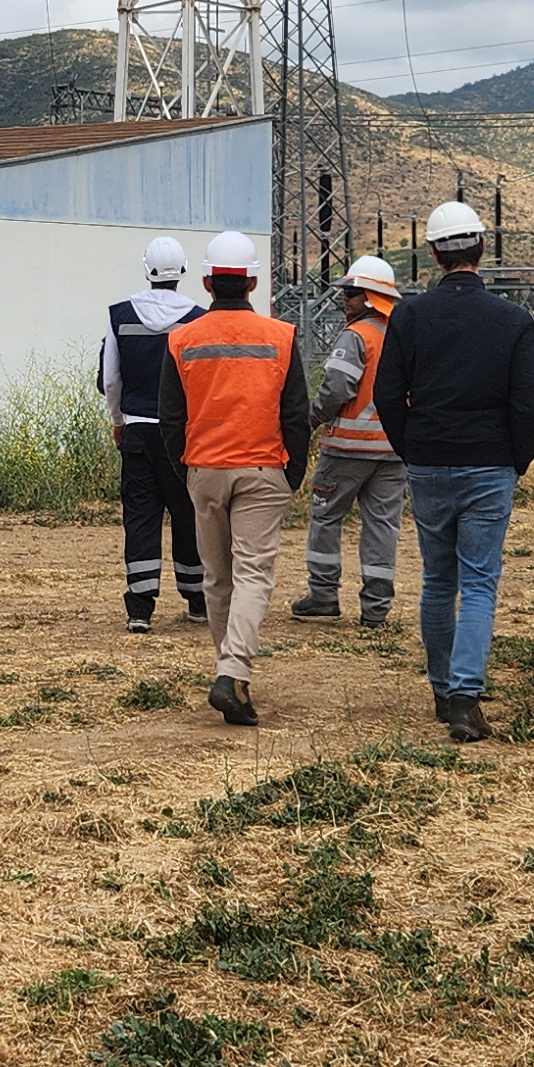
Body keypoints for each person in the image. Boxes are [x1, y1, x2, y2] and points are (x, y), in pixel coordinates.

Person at [371, 199, 534, 744]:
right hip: (489, 463)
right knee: (479, 583)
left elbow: (386, 395)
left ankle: (440, 686)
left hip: (428, 462)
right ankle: (465, 696)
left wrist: (413, 449)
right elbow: (529, 403)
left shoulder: (409, 315)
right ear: (481, 248)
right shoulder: (512, 320)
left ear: (432, 252)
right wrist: (516, 459)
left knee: (437, 580)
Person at [156, 231, 315, 724]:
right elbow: (296, 413)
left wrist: (186, 467)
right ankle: (231, 671)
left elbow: (170, 416)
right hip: (262, 469)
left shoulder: (182, 339)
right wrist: (294, 473)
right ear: (252, 282)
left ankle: (234, 681)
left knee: (217, 576)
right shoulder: (280, 337)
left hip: (204, 469)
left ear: (206, 282)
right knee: (252, 574)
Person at [100, 236, 208, 631]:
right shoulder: (198, 319)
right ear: (183, 272)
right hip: (183, 436)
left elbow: (111, 379)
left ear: (146, 269)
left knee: (141, 517)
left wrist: (118, 421)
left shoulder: (120, 315)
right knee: (188, 514)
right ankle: (197, 600)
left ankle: (140, 610)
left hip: (138, 431)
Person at [290, 254, 403, 624]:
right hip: (393, 450)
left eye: (352, 292)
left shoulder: (356, 336)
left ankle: (323, 594)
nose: (345, 298)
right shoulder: (403, 335)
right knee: (383, 526)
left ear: (371, 296)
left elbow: (337, 387)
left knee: (325, 517)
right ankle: (376, 609)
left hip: (347, 450)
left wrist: (311, 417)